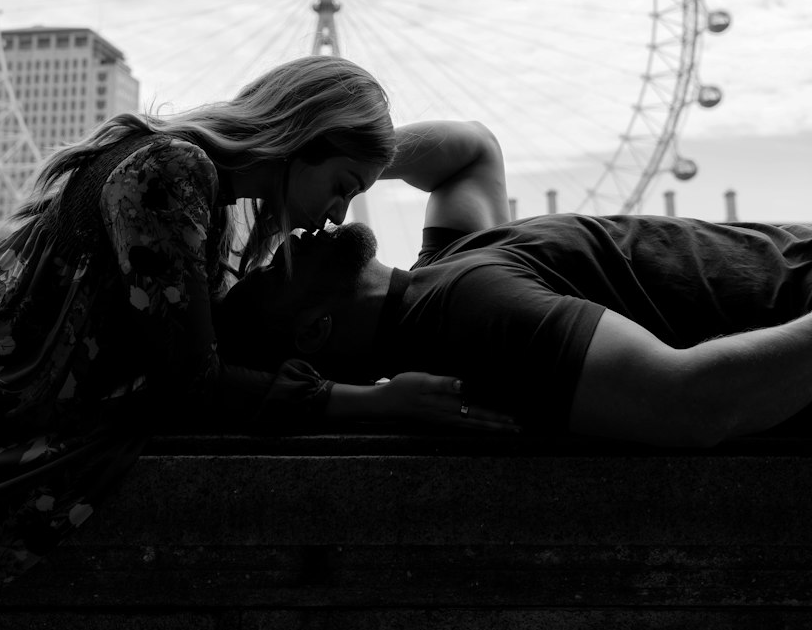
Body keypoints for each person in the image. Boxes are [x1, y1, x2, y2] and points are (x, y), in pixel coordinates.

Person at [0, 55, 483, 630]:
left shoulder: (189, 181)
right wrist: (372, 403)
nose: (338, 214)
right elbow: (189, 381)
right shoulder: (174, 170)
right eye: (343, 184)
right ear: (304, 139)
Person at [215, 117, 812, 446]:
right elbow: (687, 403)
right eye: (268, 275)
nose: (284, 242)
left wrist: (324, 161)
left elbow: (471, 151)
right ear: (314, 331)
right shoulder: (467, 320)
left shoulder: (439, 274)